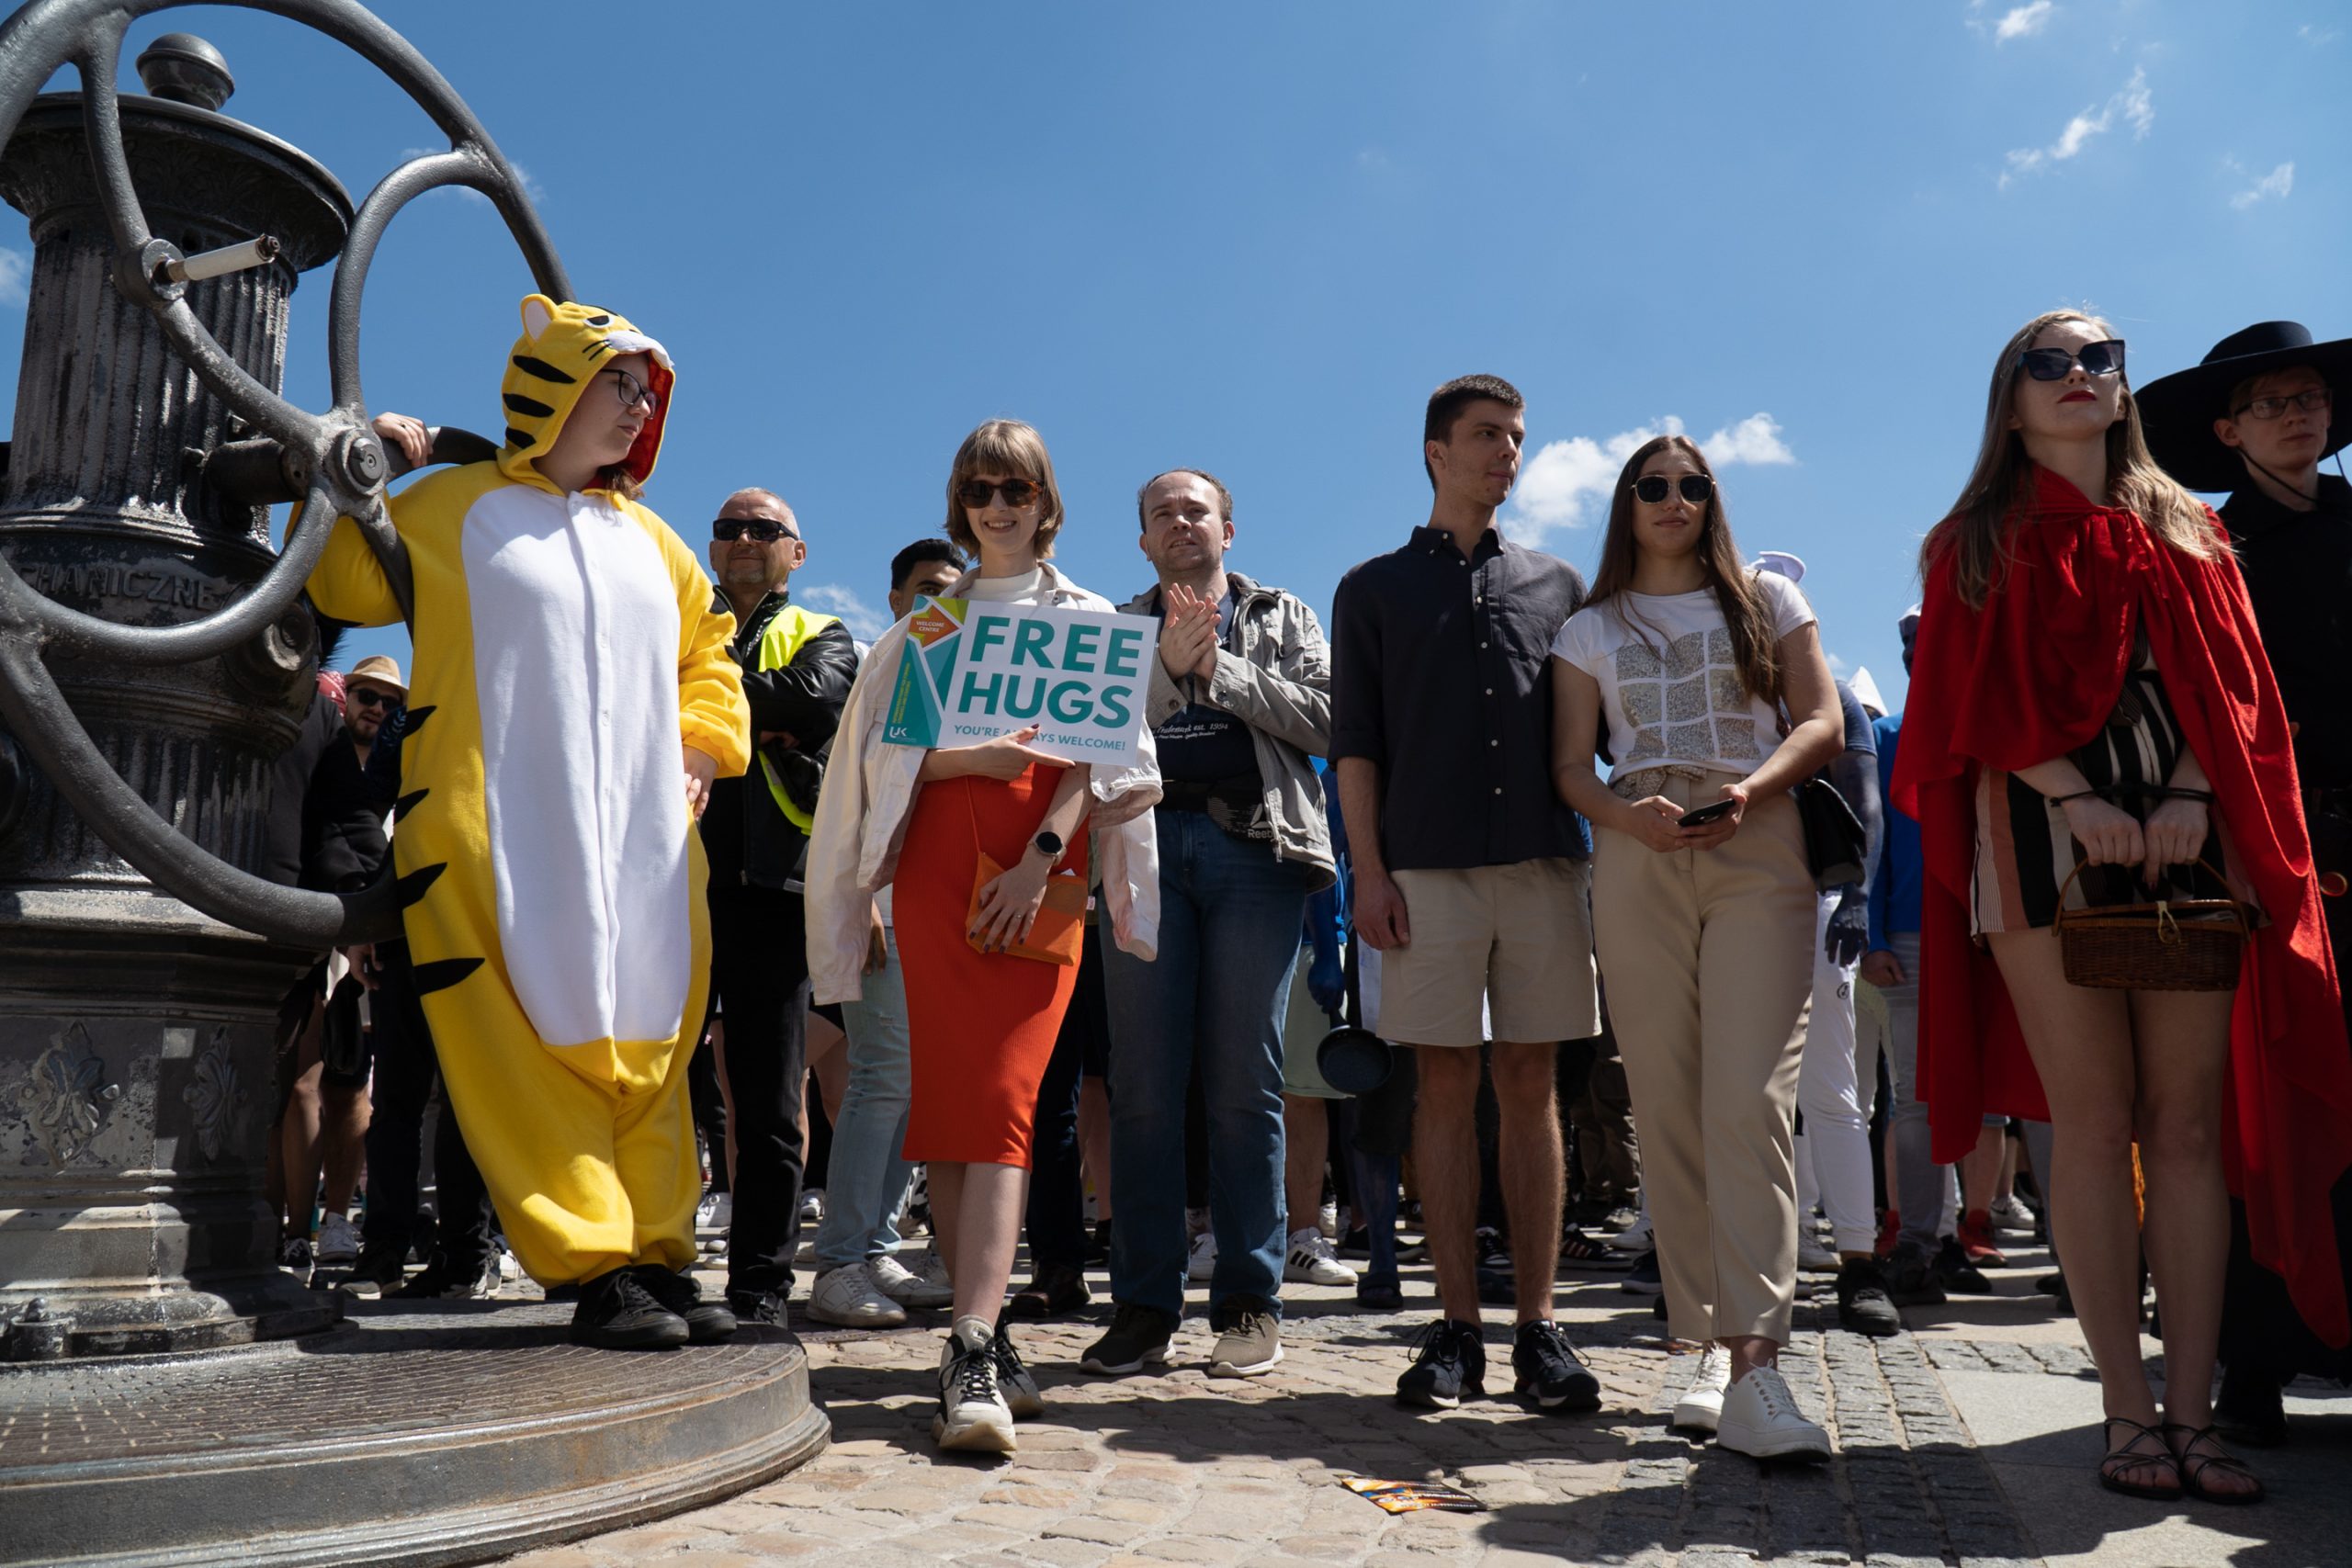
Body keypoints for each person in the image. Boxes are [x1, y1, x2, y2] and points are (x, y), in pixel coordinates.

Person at [1896, 308, 2352, 1504]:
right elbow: (1957, 705)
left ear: (2123, 389)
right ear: (2010, 402)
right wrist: (2077, 796)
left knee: (2186, 1130)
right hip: (2037, 836)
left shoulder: (2191, 529)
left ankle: (2195, 1412)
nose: (2079, 374)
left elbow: (2238, 691)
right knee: (2095, 1125)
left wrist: (2191, 794)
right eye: (2048, 361)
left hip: (2194, 836)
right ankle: (2125, 1409)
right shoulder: (1970, 541)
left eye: (2100, 357)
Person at [308, 295, 751, 1349]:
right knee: (527, 1043)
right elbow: (339, 578)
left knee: (652, 1038)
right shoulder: (450, 507)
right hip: (495, 828)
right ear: (555, 384)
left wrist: (700, 748)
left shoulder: (656, 541)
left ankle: (655, 1251)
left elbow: (710, 654)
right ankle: (593, 1265)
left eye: (646, 390)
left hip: (643, 839)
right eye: (617, 381)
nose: (637, 404)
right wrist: (369, 463)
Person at [808, 420, 1161, 1455]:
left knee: (1005, 1101)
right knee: (954, 1111)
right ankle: (982, 1338)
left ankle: (971, 1339)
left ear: (1046, 500)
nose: (997, 506)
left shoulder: (1087, 619)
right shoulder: (928, 626)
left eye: (1016, 488)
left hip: (1038, 877)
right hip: (932, 877)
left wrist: (1039, 854)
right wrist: (973, 760)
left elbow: (1102, 763)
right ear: (959, 504)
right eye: (978, 489)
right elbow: (888, 762)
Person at [1548, 434, 1844, 1460]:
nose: (1673, 500)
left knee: (1748, 1100)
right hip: (1637, 847)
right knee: (1667, 1102)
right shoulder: (1588, 626)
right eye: (1653, 486)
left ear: (1714, 499)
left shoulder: (1767, 598)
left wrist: (1751, 789)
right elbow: (1571, 767)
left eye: (1692, 486)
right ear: (1626, 504)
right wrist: (1625, 820)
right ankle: (1704, 1347)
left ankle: (1758, 1366)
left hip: (1756, 839)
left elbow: (1822, 720)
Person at [1330, 374, 1602, 1415]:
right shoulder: (1371, 589)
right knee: (1441, 1085)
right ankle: (1454, 1328)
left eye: (1518, 437)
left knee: (1531, 1082)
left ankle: (1539, 1328)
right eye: (1488, 435)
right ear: (1435, 451)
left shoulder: (1561, 585)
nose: (1508, 453)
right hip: (1424, 871)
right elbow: (1356, 748)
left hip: (1544, 864)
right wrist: (1368, 873)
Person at [2140, 320, 2352, 1443]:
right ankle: (2254, 1363)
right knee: (2261, 1104)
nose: (2297, 414)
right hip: (2267, 850)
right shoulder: (2205, 553)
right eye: (2271, 402)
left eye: (2308, 395)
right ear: (2227, 432)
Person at [1081, 468, 1334, 1382]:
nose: (1181, 522)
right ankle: (1144, 1308)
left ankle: (1248, 1303)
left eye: (1197, 510)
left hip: (1255, 852)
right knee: (1143, 1085)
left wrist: (1215, 668)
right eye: (1163, 513)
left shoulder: (1285, 615)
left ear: (1229, 529)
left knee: (1245, 1084)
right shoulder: (1113, 626)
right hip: (1141, 857)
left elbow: (1330, 720)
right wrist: (1161, 666)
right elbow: (1089, 737)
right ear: (1143, 541)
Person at [697, 486, 857, 1329]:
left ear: (797, 552)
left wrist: (704, 700)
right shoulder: (676, 617)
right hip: (670, 884)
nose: (746, 538)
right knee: (647, 1086)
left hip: (771, 892)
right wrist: (761, 710)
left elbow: (813, 703)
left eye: (765, 528)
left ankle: (759, 1285)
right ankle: (644, 1269)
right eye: (730, 527)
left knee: (767, 1104)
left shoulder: (824, 631)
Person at [808, 538, 964, 1327]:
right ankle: (838, 1259)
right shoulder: (880, 666)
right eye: (927, 588)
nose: (943, 603)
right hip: (883, 908)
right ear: (896, 598)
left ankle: (874, 1246)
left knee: (913, 1085)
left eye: (955, 589)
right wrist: (862, 895)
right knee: (882, 1077)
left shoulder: (963, 674)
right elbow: (851, 792)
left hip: (942, 914)